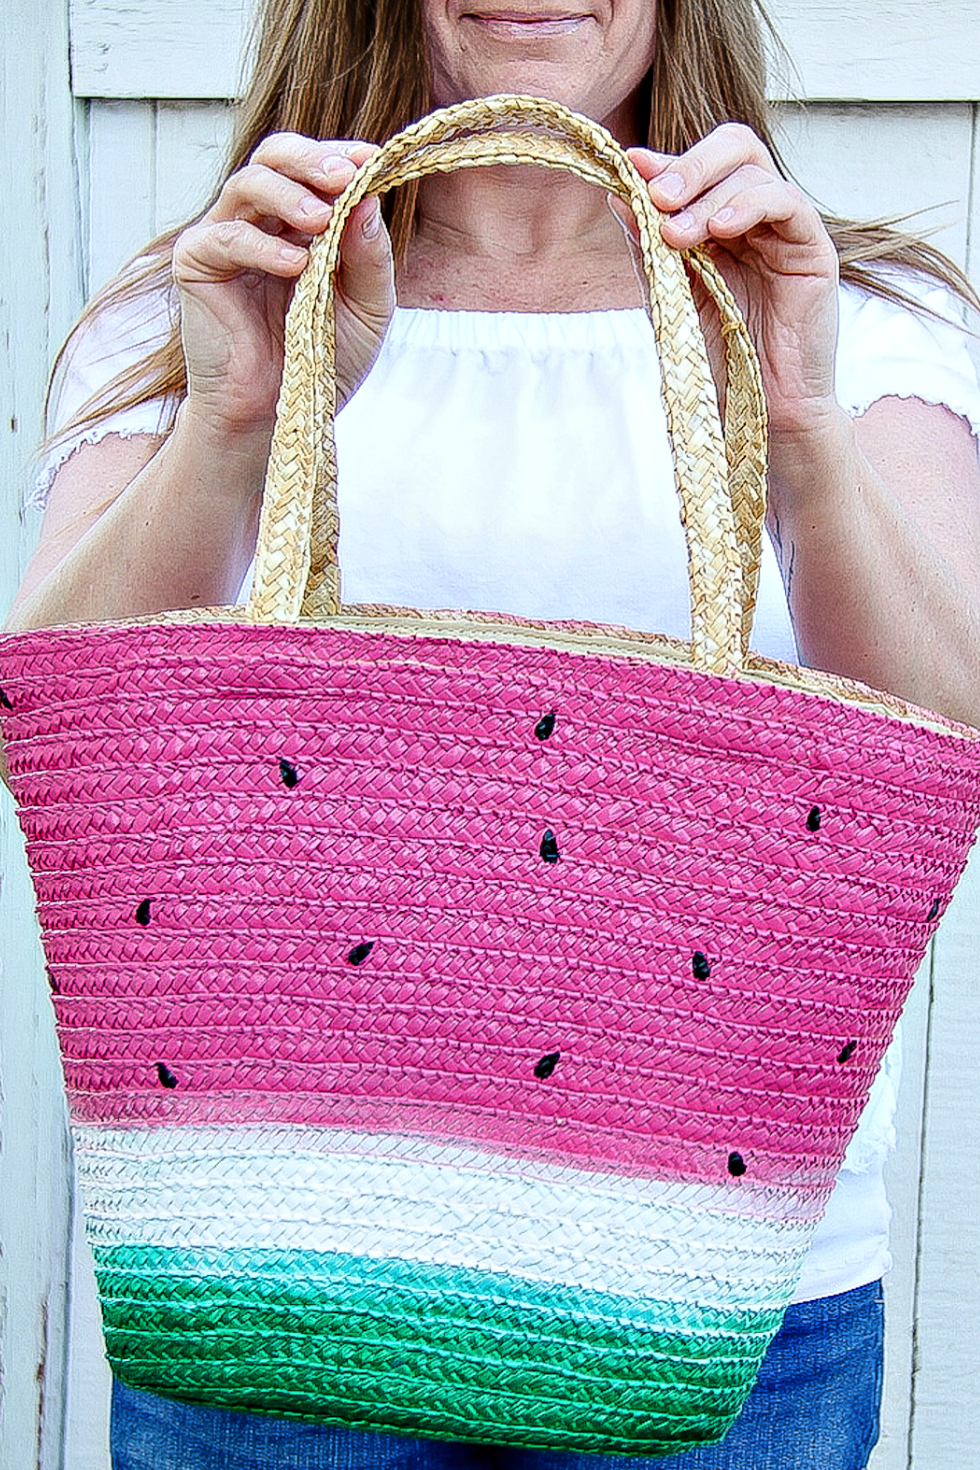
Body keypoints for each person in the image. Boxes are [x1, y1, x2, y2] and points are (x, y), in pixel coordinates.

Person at [7, 2, 980, 1468]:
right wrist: (238, 416)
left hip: (724, 1303)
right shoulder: (210, 305)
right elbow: (60, 721)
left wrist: (795, 418)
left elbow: (952, 728)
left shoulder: (861, 318)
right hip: (272, 1272)